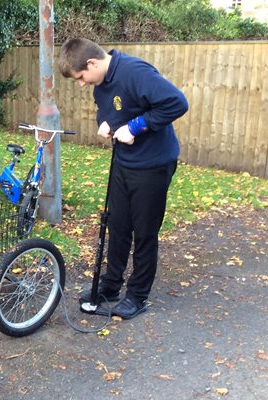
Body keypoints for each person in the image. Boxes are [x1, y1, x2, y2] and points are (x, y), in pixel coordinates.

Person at [58, 38, 189, 319]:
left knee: (144, 232)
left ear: (92, 63)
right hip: (124, 162)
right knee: (117, 225)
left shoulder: (135, 72)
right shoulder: (101, 83)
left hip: (153, 164)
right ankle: (111, 285)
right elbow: (111, 110)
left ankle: (137, 295)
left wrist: (135, 126)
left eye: (81, 77)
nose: (82, 84)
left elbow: (177, 103)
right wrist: (105, 123)